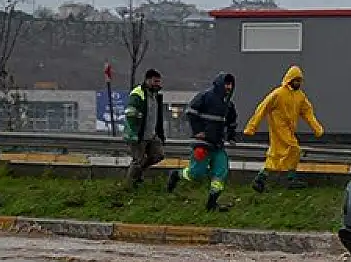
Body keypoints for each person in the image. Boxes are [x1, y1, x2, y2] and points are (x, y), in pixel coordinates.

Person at [243, 65, 324, 192]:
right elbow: (262, 108)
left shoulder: (300, 96)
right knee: (294, 149)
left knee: (275, 156)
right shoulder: (278, 94)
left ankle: (260, 179)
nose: (298, 83)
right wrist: (251, 127)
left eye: (299, 80)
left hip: (289, 129)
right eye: (295, 80)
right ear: (290, 79)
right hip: (278, 128)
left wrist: (316, 128)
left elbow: (307, 112)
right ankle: (290, 179)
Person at [167, 72, 238, 212]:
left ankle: (211, 203)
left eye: (230, 84)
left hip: (218, 145)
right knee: (196, 173)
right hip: (202, 144)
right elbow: (191, 112)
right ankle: (176, 175)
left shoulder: (228, 105)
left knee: (221, 173)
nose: (229, 87)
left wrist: (231, 136)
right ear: (220, 83)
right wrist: (198, 130)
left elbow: (231, 122)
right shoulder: (205, 96)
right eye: (226, 83)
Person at [123, 68, 167, 188]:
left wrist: (160, 134)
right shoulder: (138, 93)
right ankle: (129, 185)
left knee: (158, 155)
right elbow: (130, 113)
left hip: (151, 134)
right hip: (138, 134)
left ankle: (138, 174)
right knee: (137, 161)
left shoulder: (156, 96)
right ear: (147, 80)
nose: (158, 84)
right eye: (155, 81)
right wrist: (135, 132)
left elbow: (157, 117)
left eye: (159, 82)